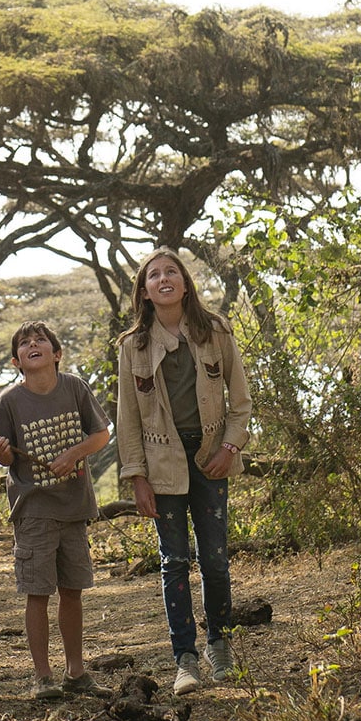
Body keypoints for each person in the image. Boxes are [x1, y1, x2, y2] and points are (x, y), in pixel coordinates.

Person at [115, 249, 253, 695]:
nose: (163, 278)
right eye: (153, 275)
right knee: (173, 562)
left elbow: (241, 401)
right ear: (145, 291)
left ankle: (221, 646)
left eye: (171, 271)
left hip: (211, 457)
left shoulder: (214, 331)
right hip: (162, 465)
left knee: (214, 561)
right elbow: (128, 420)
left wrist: (230, 448)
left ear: (186, 282)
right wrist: (136, 476)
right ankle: (185, 660)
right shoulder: (132, 345)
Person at [0, 322, 112, 701]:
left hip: (74, 507)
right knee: (37, 592)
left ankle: (76, 672)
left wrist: (72, 454)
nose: (33, 345)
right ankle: (43, 677)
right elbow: (2, 456)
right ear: (16, 361)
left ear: (57, 354)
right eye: (24, 343)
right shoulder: (9, 401)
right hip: (34, 509)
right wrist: (3, 451)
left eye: (40, 340)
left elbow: (101, 434)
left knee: (72, 591)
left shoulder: (74, 387)